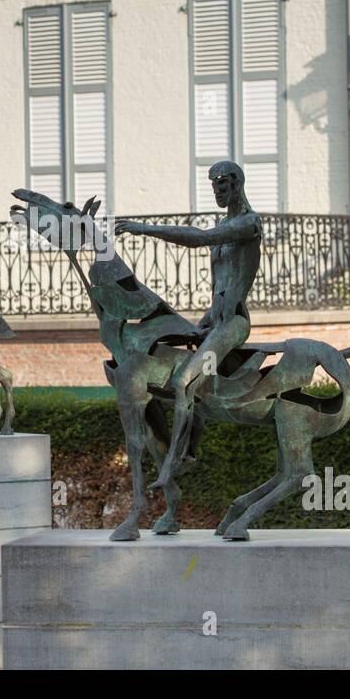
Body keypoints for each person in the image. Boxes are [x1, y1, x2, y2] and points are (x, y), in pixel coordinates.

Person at [114, 160, 261, 490]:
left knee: (183, 382)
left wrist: (146, 228)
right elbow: (219, 285)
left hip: (234, 323)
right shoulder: (228, 225)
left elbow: (199, 239)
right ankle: (184, 444)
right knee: (164, 367)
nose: (217, 193)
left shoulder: (249, 223)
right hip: (212, 321)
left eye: (221, 186)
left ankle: (175, 464)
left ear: (236, 183)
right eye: (213, 188)